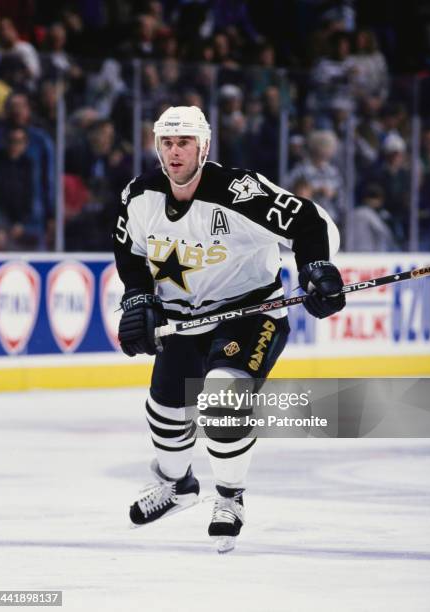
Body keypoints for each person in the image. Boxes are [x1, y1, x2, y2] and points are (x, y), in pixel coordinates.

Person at [113, 106, 345, 553]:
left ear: (204, 146)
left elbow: (310, 222)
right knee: (164, 415)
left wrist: (316, 267)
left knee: (222, 402)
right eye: (167, 143)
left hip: (250, 313)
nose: (174, 152)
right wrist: (138, 296)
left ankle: (230, 497)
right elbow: (129, 250)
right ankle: (178, 487)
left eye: (184, 143)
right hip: (183, 321)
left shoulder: (241, 193)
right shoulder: (139, 196)